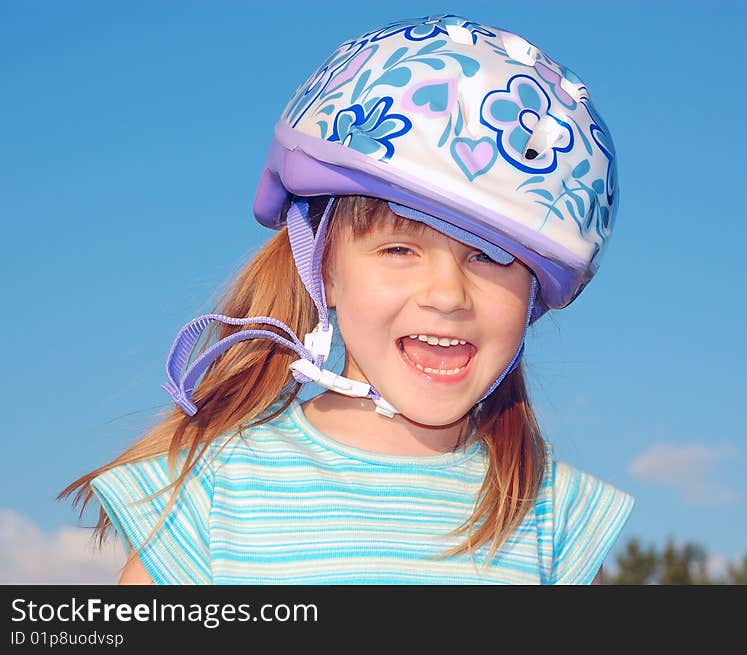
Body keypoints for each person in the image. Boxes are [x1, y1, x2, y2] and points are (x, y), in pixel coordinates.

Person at [60, 14, 634, 585]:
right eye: (398, 250)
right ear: (324, 270)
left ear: (533, 294)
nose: (447, 295)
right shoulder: (214, 492)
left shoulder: (553, 518)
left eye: (488, 257)